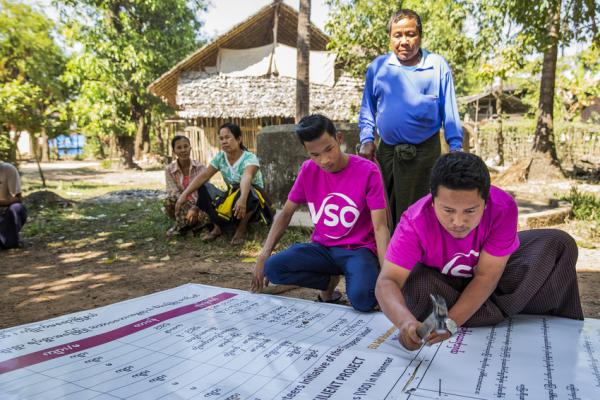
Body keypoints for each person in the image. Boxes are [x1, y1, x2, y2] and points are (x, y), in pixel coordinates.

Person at [375, 152, 583, 351]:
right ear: (432, 198)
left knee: (558, 245)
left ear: (486, 201)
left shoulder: (503, 207)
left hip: (493, 282)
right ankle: (500, 311)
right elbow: (388, 281)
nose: (458, 222)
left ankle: (484, 312)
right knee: (414, 286)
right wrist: (405, 322)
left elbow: (486, 277)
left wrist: (452, 321)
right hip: (444, 287)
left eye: (470, 211)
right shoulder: (415, 221)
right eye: (447, 210)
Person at [251, 114, 390, 312]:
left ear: (339, 139)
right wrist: (264, 254)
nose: (324, 160)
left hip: (357, 251)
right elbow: (285, 213)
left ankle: (362, 273)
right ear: (306, 151)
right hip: (323, 249)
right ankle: (327, 282)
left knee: (362, 301)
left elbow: (380, 226)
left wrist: (387, 275)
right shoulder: (308, 170)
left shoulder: (368, 171)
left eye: (329, 150)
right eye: (315, 155)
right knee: (272, 268)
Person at [358, 8, 463, 230]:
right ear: (390, 38)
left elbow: (450, 110)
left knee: (423, 212)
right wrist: (367, 138)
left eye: (410, 34)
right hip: (387, 153)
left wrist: (455, 147)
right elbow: (368, 107)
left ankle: (419, 260)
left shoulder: (436, 65)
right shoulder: (378, 67)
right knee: (384, 212)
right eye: (397, 35)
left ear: (420, 36)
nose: (404, 41)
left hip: (425, 155)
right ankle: (387, 257)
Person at [176, 122, 272, 244]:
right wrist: (184, 195)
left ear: (238, 139)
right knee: (204, 187)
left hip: (253, 203)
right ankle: (218, 227)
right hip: (232, 197)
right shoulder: (220, 157)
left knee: (249, 191)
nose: (224, 141)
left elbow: (246, 177)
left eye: (227, 137)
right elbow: (204, 176)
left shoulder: (249, 158)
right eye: (221, 139)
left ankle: (241, 229)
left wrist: (242, 199)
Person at [164, 135, 210, 236]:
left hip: (199, 204)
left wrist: (195, 207)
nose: (183, 150)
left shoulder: (200, 167)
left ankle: (182, 227)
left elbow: (206, 191)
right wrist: (187, 207)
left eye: (186, 146)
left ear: (190, 148)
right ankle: (194, 227)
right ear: (174, 151)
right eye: (179, 147)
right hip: (182, 204)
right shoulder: (169, 169)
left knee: (208, 213)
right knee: (169, 201)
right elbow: (173, 192)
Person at [0, 162, 27, 250]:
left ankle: (7, 240)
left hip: (5, 214)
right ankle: (7, 241)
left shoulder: (8, 169)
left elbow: (17, 198)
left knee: (17, 208)